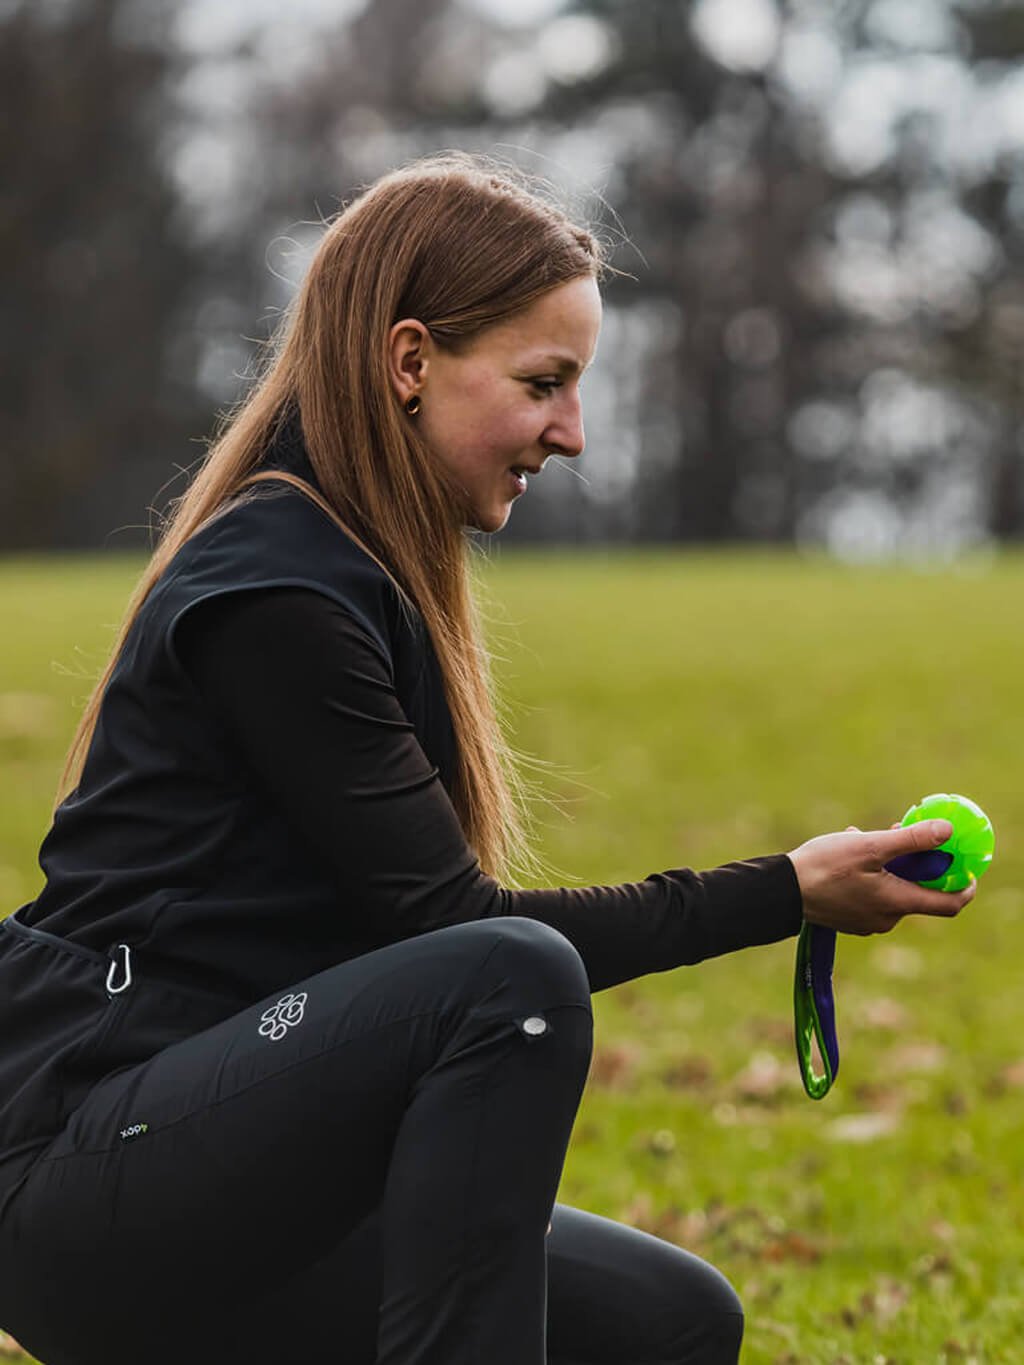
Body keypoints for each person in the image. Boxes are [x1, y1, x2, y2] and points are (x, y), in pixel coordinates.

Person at [0, 152, 975, 1365]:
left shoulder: (350, 571)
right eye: (544, 382)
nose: (571, 433)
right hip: (86, 1179)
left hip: (222, 1169)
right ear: (409, 362)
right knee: (500, 980)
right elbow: (449, 928)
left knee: (669, 1321)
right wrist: (784, 890)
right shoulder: (274, 589)